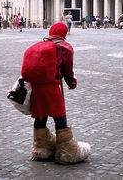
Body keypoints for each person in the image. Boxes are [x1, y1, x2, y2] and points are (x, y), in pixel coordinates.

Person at [21, 22, 90, 164]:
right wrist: (72, 83)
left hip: (37, 86)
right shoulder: (65, 47)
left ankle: (40, 148)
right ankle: (65, 150)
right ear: (64, 33)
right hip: (52, 86)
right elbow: (67, 71)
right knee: (59, 115)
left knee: (41, 114)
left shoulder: (42, 44)